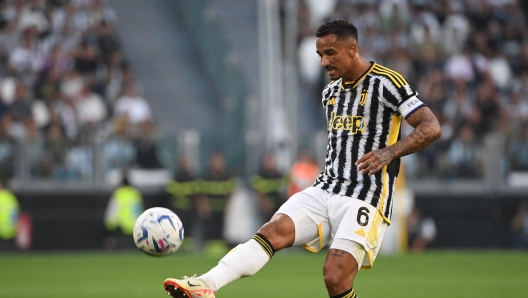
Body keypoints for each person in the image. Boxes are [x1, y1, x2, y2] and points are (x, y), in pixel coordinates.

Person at [163, 20, 441, 298]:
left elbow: (431, 127)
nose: (324, 62)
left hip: (366, 195)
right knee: (271, 232)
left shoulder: (387, 82)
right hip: (326, 188)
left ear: (353, 49)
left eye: (330, 53)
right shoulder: (330, 92)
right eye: (320, 55)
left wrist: (388, 151)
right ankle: (206, 285)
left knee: (335, 277)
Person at [250, 153, 288, 224]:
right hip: (266, 207)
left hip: (278, 206)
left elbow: (286, 186)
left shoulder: (279, 175)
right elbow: (258, 191)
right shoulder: (260, 175)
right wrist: (264, 203)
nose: (270, 163)